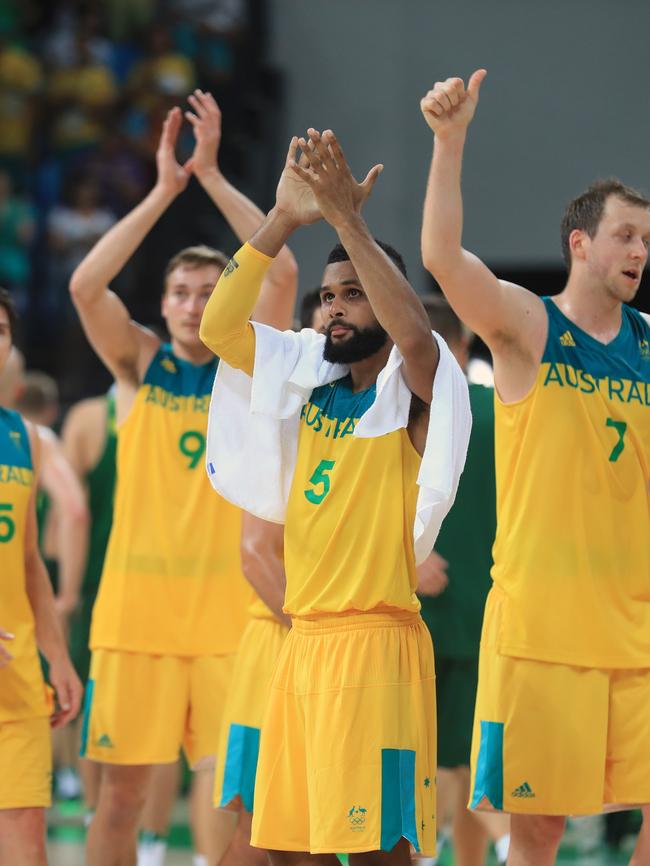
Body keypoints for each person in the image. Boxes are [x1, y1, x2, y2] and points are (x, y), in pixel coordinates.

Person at [200, 129, 471, 863]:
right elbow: (218, 326)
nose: (336, 308)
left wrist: (349, 220)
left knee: (383, 852)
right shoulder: (308, 375)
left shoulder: (416, 386)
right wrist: (285, 218)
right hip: (304, 642)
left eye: (355, 293)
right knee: (291, 848)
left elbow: (415, 339)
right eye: (328, 297)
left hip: (375, 647)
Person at [420, 70, 650, 866]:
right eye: (626, 236)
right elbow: (443, 259)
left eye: (648, 241)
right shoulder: (530, 328)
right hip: (544, 629)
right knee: (539, 831)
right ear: (580, 243)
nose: (640, 252)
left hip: (637, 622)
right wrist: (450, 144)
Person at [69, 95, 297, 866]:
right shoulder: (139, 365)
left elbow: (282, 271)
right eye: (182, 293)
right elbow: (85, 289)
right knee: (123, 797)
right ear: (161, 307)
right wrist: (164, 191)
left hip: (228, 617)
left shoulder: (248, 364)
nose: (196, 304)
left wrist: (211, 175)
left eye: (209, 292)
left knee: (234, 795)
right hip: (135, 619)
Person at [418, 296, 510, 866]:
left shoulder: (397, 415)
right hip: (484, 613)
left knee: (437, 757)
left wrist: (407, 555)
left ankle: (486, 849)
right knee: (465, 757)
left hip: (435, 616)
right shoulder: (503, 410)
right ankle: (495, 849)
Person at [0, 288, 83, 866]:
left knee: (28, 838)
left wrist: (57, 657)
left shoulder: (23, 437)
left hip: (18, 670)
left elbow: (29, 561)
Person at [61, 387, 118, 821]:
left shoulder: (87, 417)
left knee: (84, 695)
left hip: (98, 584)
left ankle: (90, 806)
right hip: (167, 585)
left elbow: (70, 515)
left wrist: (66, 592)